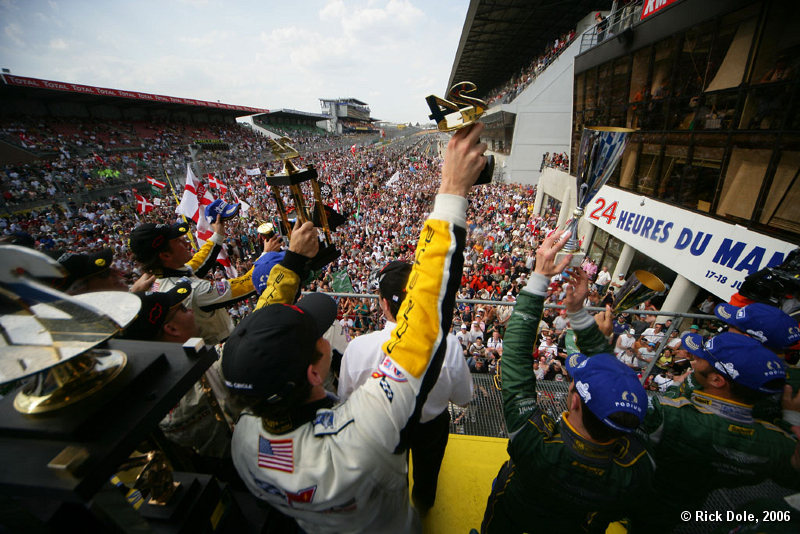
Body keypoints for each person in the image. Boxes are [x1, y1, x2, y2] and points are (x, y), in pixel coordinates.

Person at [223, 123, 486, 533]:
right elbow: (420, 330)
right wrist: (452, 190)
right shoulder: (362, 436)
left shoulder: (243, 438)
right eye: (317, 333)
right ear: (314, 371)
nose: (326, 336)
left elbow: (255, 336)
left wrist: (291, 261)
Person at [566, 268, 800, 533]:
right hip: (684, 502)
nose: (692, 356)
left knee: (598, 514)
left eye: (703, 358)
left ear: (718, 380)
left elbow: (603, 397)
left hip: (633, 475)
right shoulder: (776, 439)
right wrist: (792, 420)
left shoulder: (668, 417)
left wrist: (593, 335)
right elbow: (791, 470)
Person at [479, 230, 653, 533]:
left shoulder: (535, 445)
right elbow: (613, 385)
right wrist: (578, 315)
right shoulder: (636, 469)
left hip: (513, 513)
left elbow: (516, 359)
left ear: (573, 400)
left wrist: (540, 278)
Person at [337, 260, 472, 513]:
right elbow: (464, 398)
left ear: (385, 303)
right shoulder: (449, 346)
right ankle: (422, 507)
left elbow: (346, 400)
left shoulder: (357, 349)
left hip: (378, 429)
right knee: (427, 476)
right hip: (430, 428)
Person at [129, 216, 269, 345]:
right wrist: (266, 255)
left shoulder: (164, 277)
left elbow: (200, 260)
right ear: (165, 255)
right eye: (178, 241)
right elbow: (244, 286)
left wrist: (218, 233)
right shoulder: (193, 290)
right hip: (226, 348)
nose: (186, 241)